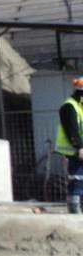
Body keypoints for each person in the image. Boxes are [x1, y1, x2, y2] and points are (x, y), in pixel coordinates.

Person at [55, 77, 83, 214]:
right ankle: (74, 214)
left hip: (79, 149)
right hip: (74, 151)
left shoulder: (79, 106)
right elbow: (71, 129)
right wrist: (79, 147)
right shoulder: (69, 106)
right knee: (77, 180)